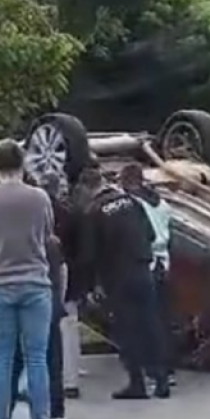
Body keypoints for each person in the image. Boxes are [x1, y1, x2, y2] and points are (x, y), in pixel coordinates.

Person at [0, 140, 59, 419]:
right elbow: (48, 233)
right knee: (37, 359)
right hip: (35, 282)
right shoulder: (39, 198)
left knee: (1, 359)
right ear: (23, 164)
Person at [79, 167, 168, 400]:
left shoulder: (94, 211)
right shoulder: (131, 202)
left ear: (86, 188)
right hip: (143, 270)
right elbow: (150, 235)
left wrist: (92, 284)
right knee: (150, 325)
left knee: (127, 330)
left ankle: (137, 384)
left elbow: (90, 254)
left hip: (118, 277)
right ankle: (161, 380)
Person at [119, 163, 177, 388]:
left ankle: (153, 369)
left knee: (144, 322)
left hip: (146, 262)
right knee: (161, 319)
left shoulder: (134, 205)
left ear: (126, 181)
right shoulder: (162, 203)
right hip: (164, 263)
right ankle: (167, 368)